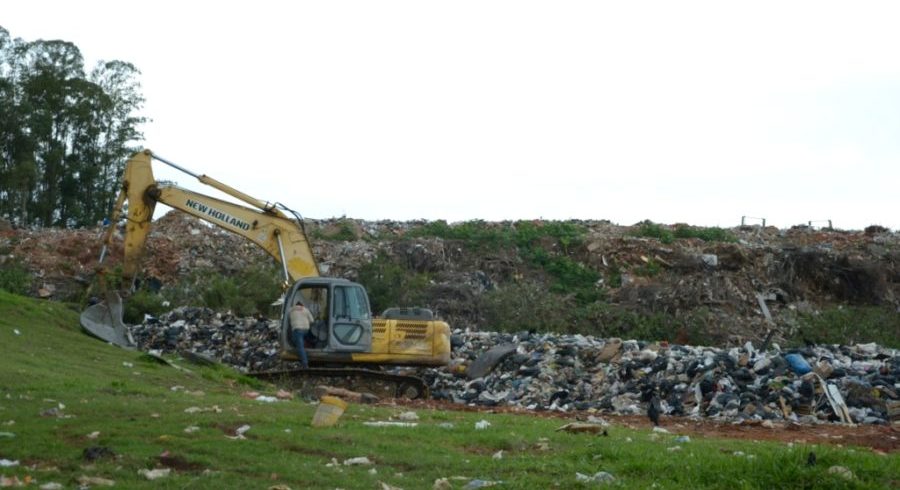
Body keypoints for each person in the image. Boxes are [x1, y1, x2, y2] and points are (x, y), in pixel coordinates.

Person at [289, 301, 315, 368]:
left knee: (299, 346)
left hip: (297, 330)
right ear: (302, 305)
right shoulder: (306, 309)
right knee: (304, 339)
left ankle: (305, 364)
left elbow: (289, 320)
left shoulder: (291, 310)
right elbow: (312, 320)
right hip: (306, 329)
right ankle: (308, 346)